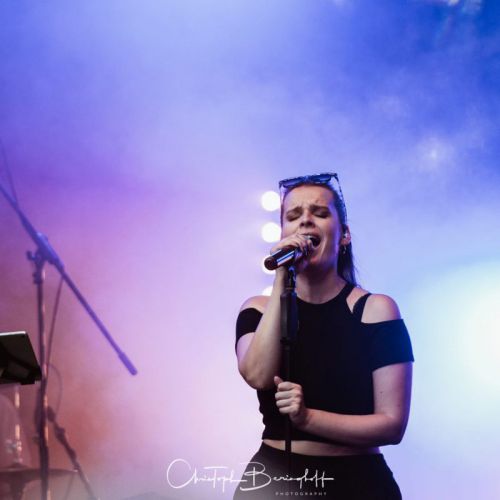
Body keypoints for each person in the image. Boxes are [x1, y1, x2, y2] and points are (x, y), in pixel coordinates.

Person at [233, 173, 414, 499]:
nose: (305, 221)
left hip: (358, 484)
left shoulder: (376, 310)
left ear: (344, 235)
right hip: (274, 481)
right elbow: (257, 375)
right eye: (293, 216)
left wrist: (308, 418)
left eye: (319, 213)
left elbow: (393, 425)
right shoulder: (257, 310)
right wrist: (282, 277)